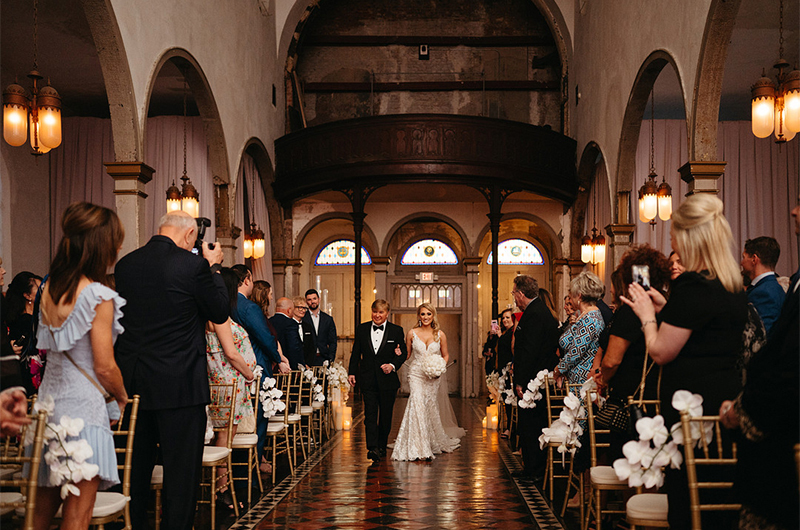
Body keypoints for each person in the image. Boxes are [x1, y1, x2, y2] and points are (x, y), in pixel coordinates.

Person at [622, 194, 747, 529]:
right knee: (717, 507)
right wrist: (667, 309)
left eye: (675, 235)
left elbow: (662, 350)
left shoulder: (692, 285)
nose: (672, 241)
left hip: (692, 416)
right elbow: (705, 330)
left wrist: (647, 316)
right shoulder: (730, 283)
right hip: (721, 406)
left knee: (688, 508)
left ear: (691, 237)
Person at [114, 210, 228, 530]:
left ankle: (133, 524)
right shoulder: (193, 266)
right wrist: (213, 266)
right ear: (191, 236)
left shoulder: (126, 265)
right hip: (180, 384)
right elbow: (219, 311)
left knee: (135, 470)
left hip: (134, 381)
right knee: (181, 474)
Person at [34, 202, 129, 530]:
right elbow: (104, 366)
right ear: (101, 244)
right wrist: (122, 396)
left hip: (47, 412)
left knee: (38, 517)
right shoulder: (98, 295)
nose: (118, 247)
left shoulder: (49, 289)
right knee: (78, 517)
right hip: (83, 417)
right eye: (116, 240)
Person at [719, 197, 799, 530]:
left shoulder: (765, 293)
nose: (793, 210)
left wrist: (746, 404)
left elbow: (775, 349)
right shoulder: (792, 279)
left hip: (779, 412)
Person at [598, 246, 670, 457]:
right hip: (660, 394)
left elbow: (612, 361)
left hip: (632, 398)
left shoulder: (631, 311)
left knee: (629, 460)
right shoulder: (667, 307)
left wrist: (604, 379)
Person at [229, 266, 288, 472]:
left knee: (234, 425)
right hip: (255, 369)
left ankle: (233, 472)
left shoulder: (226, 304)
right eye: (251, 280)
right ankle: (250, 472)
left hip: (231, 370)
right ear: (246, 280)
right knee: (256, 423)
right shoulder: (248, 307)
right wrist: (278, 358)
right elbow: (265, 338)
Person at [205, 268, 256, 509]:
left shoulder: (203, 318)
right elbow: (233, 354)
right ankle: (221, 490)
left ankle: (217, 488)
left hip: (214, 385)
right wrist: (248, 373)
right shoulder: (221, 319)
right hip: (230, 387)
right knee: (225, 441)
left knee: (218, 439)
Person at [392, 303, 462, 461]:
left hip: (432, 376)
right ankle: (419, 447)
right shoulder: (411, 333)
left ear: (433, 316)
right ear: (418, 316)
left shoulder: (440, 334)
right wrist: (399, 353)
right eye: (422, 314)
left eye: (428, 314)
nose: (425, 317)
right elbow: (408, 354)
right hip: (416, 373)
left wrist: (439, 368)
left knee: (429, 406)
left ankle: (430, 441)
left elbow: (445, 355)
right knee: (417, 403)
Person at [348, 299, 407, 462]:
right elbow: (355, 353)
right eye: (375, 312)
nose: (377, 315)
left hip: (388, 381)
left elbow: (402, 353)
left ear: (387, 313)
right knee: (370, 414)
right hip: (367, 379)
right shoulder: (362, 329)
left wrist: (392, 365)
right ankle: (372, 447)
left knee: (386, 415)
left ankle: (382, 445)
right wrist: (352, 372)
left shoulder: (396, 331)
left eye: (381, 312)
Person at [512, 275, 558, 480]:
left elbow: (529, 351)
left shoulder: (535, 314)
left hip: (533, 379)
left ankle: (534, 471)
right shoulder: (536, 311)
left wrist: (521, 380)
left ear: (521, 294)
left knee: (532, 425)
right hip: (534, 377)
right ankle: (530, 467)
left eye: (514, 293)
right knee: (529, 424)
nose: (514, 297)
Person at [555, 271, 605, 389]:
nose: (570, 299)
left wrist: (558, 369)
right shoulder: (583, 315)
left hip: (583, 382)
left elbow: (576, 352)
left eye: (572, 295)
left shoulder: (591, 318)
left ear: (579, 296)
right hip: (576, 380)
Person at [5, 271, 43, 393]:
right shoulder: (26, 322)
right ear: (27, 295)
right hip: (28, 379)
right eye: (39, 287)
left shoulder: (27, 319)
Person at [740, 236, 785, 334]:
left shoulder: (764, 293)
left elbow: (760, 338)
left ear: (754, 259)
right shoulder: (770, 287)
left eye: (744, 257)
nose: (741, 263)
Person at [483, 307, 516, 438]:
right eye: (503, 318)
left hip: (509, 369)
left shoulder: (513, 333)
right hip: (502, 369)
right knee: (505, 399)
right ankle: (508, 426)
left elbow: (508, 346)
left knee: (509, 399)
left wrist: (500, 336)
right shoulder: (504, 332)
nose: (505, 320)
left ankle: (510, 428)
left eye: (508, 317)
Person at [303, 288, 338, 365]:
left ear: (319, 299)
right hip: (307, 360)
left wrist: (330, 358)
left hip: (324, 359)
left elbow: (333, 341)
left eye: (314, 299)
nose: (312, 302)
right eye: (309, 299)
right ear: (306, 302)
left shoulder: (328, 319)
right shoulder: (303, 318)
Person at [269, 297, 305, 369]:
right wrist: (296, 366)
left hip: (272, 364)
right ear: (289, 310)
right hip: (288, 366)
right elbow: (293, 346)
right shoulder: (290, 323)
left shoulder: (268, 321)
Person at [292, 295, 317, 366]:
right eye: (300, 308)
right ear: (293, 308)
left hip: (307, 366)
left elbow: (312, 347)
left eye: (305, 308)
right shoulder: (288, 325)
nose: (303, 310)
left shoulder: (308, 326)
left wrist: (308, 364)